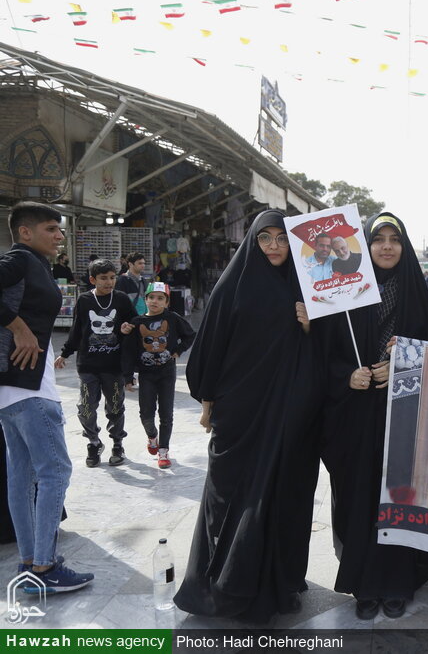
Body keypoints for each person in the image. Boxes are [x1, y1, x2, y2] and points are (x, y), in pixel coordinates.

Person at [174, 210, 320, 622]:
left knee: (282, 494)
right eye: (265, 238)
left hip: (288, 412)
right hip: (239, 413)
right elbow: (210, 346)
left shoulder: (306, 288)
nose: (274, 246)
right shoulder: (232, 285)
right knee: (228, 496)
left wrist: (311, 327)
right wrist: (207, 403)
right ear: (253, 242)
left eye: (282, 238)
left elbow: (328, 352)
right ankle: (219, 585)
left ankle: (279, 583)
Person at [319, 213, 428, 621]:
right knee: (360, 496)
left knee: (400, 496)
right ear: (365, 246)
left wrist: (402, 366)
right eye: (378, 239)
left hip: (404, 415)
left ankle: (398, 581)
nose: (387, 246)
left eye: (395, 239)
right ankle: (364, 583)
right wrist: (346, 375)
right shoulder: (344, 294)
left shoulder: (418, 297)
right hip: (356, 415)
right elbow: (325, 352)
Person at [0, 202, 94, 593]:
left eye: (60, 228)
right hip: (30, 388)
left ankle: (29, 564)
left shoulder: (34, 264)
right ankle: (44, 567)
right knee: (55, 473)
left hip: (12, 389)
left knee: (22, 478)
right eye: (51, 228)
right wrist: (18, 327)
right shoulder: (20, 259)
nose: (59, 235)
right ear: (25, 232)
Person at [55, 259, 134, 468]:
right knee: (86, 408)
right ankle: (94, 442)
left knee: (115, 406)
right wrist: (65, 353)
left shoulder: (121, 299)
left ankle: (117, 444)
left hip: (114, 366)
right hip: (88, 365)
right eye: (103, 278)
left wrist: (129, 328)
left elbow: (134, 322)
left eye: (112, 278)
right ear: (93, 280)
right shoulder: (84, 300)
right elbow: (77, 329)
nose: (109, 282)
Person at [121, 282, 196, 469]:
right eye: (152, 297)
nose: (155, 301)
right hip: (146, 374)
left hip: (167, 374)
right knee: (146, 413)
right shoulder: (137, 322)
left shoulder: (173, 318)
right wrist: (128, 376)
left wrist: (178, 351)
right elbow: (128, 351)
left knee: (166, 414)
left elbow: (190, 335)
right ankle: (152, 436)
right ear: (145, 299)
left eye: (160, 298)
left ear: (166, 302)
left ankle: (163, 450)